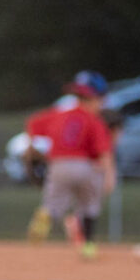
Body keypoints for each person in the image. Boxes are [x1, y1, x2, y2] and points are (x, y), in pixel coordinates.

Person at [24, 71, 116, 259]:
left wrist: (31, 146)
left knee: (53, 203)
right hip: (84, 166)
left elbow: (33, 123)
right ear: (94, 99)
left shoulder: (60, 114)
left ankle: (45, 215)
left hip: (58, 165)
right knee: (89, 205)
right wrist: (109, 176)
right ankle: (88, 245)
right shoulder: (94, 121)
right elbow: (104, 152)